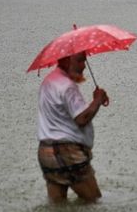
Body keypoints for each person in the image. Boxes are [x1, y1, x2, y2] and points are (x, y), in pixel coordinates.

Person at [37, 52, 110, 205]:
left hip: (46, 152)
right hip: (68, 153)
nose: (84, 65)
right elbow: (81, 119)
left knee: (57, 206)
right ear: (68, 60)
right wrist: (97, 100)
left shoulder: (48, 82)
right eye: (80, 60)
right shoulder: (67, 86)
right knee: (93, 201)